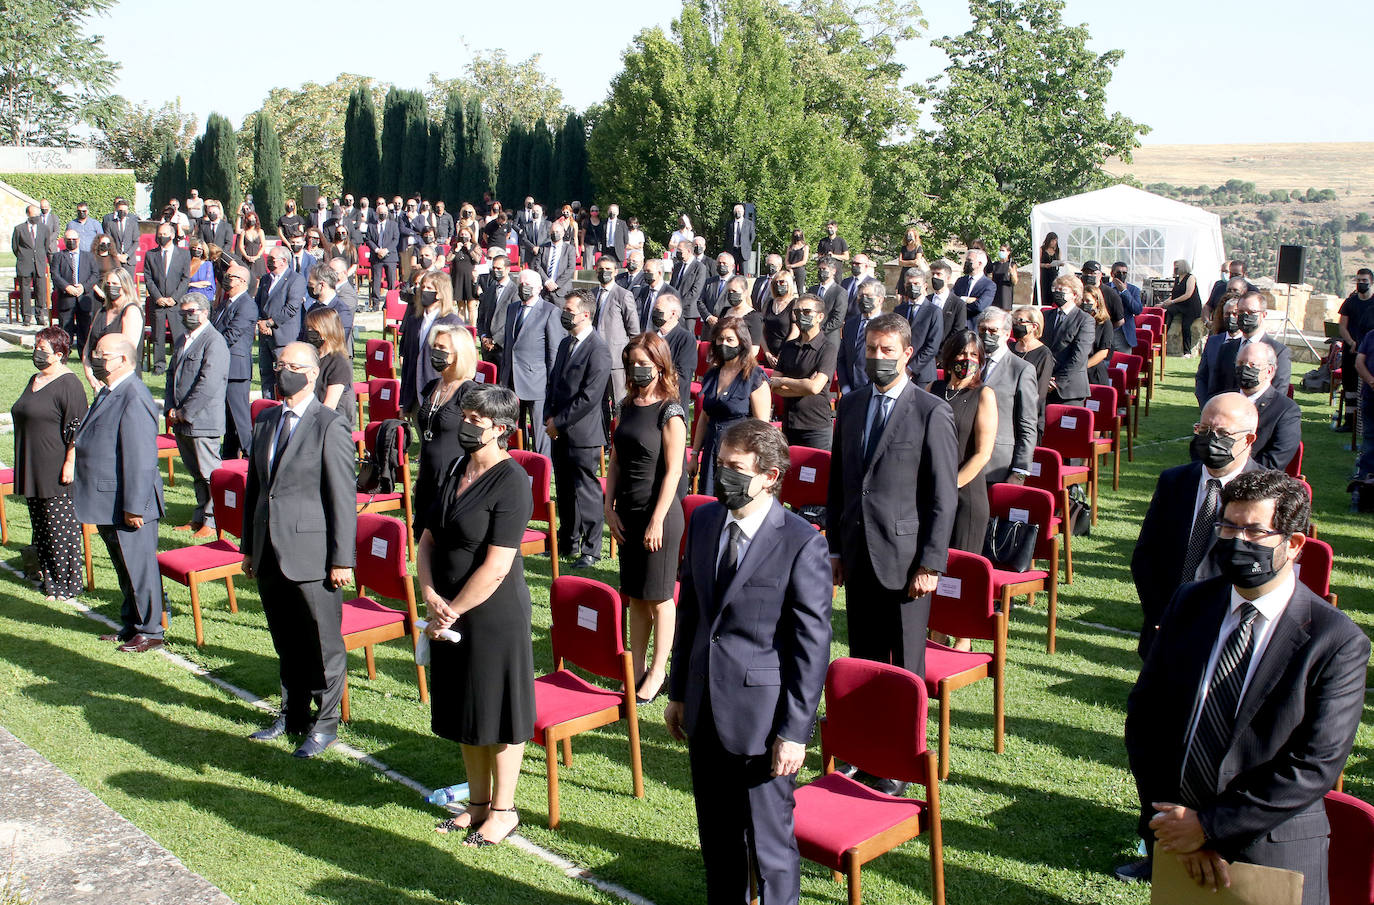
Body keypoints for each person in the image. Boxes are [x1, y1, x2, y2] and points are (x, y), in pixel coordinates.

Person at [1122, 470, 1368, 902]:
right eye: (1229, 526)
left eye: (1254, 531)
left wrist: (1210, 828)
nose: (1237, 541)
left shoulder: (1336, 641)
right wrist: (1170, 820)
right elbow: (1147, 716)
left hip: (1273, 852)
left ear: (1293, 544)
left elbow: (1315, 764)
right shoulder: (1190, 602)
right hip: (1180, 837)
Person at [665, 419, 832, 905]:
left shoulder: (802, 542)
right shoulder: (703, 521)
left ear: (771, 476)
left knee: (770, 844)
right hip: (704, 707)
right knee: (717, 838)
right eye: (720, 465)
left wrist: (796, 732)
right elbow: (691, 613)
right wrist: (678, 692)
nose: (723, 477)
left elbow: (811, 647)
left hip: (762, 720)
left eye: (736, 468)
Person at [828, 314, 958, 778]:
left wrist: (931, 563)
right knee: (862, 658)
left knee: (905, 665)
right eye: (871, 350)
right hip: (859, 554)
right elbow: (840, 483)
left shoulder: (929, 411)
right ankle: (862, 751)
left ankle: (899, 764)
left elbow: (943, 496)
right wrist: (836, 550)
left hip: (907, 563)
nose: (877, 358)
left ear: (907, 354)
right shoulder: (851, 405)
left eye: (887, 351)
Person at [419, 384, 534, 848]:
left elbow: (498, 563)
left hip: (491, 615)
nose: (465, 425)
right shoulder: (454, 467)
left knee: (498, 711)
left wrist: (453, 611)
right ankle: (479, 805)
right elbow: (427, 539)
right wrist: (428, 591)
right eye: (464, 416)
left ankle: (504, 811)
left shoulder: (512, 481)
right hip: (447, 609)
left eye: (475, 420)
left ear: (501, 430)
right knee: (469, 710)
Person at [243, 342, 357, 758]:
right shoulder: (267, 420)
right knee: (286, 637)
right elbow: (256, 489)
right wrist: (249, 548)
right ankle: (292, 713)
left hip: (312, 552)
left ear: (312, 373)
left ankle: (325, 724)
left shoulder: (328, 425)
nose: (284, 371)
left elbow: (342, 496)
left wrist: (342, 558)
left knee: (322, 642)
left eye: (294, 365)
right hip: (270, 550)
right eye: (279, 364)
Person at [1131, 392, 1260, 659]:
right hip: (1164, 628)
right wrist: (1160, 613)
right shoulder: (1173, 481)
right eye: (1204, 429)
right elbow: (1145, 555)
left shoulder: (1265, 496)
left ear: (1248, 440)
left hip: (1227, 632)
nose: (1210, 439)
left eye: (1222, 433)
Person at [603, 333, 687, 703]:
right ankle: (635, 669)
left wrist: (657, 519)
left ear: (660, 364)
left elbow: (673, 472)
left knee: (659, 597)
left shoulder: (671, 411)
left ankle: (657, 673)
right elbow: (617, 458)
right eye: (631, 362)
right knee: (635, 596)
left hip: (661, 516)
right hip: (628, 512)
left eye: (643, 362)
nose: (637, 369)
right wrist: (608, 506)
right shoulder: (626, 404)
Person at [73, 335, 166, 652]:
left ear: (124, 359)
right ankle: (132, 622)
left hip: (128, 501)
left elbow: (140, 457)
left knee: (139, 567)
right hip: (108, 498)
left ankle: (151, 629)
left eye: (103, 354)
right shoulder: (111, 391)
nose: (96, 358)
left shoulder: (133, 395)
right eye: (95, 352)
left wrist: (134, 506)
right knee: (124, 567)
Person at [11, 327, 88, 601]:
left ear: (59, 354)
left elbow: (77, 429)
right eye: (36, 347)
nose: (37, 353)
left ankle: (67, 583)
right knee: (41, 526)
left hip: (55, 467)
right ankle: (49, 575)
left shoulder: (69, 384)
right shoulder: (35, 378)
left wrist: (70, 462)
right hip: (31, 464)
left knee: (60, 529)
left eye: (42, 349)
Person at [545, 291, 612, 569]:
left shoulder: (598, 349)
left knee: (586, 491)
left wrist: (558, 421)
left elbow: (590, 397)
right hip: (558, 430)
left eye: (570, 309)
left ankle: (591, 549)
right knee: (564, 490)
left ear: (585, 314)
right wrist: (549, 416)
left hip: (582, 434)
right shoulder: (565, 344)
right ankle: (568, 540)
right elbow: (554, 383)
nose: (565, 313)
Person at [929, 330, 996, 561]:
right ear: (949, 358)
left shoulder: (984, 395)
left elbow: (983, 453)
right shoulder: (933, 390)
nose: (967, 360)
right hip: (930, 492)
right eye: (961, 353)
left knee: (959, 575)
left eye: (973, 355)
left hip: (965, 494)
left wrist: (951, 484)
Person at [165, 293, 228, 536]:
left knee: (209, 473)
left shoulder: (214, 342)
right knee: (195, 473)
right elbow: (172, 374)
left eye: (189, 312)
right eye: (182, 313)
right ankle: (200, 515)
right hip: (181, 420)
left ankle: (213, 521)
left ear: (204, 313)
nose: (185, 317)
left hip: (202, 420)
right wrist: (171, 408)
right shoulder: (183, 339)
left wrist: (184, 412)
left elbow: (208, 383)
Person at [690, 317, 771, 494]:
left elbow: (762, 427)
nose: (724, 344)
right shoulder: (712, 373)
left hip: (739, 452)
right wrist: (695, 454)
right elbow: (704, 416)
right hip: (712, 449)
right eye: (720, 339)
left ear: (742, 342)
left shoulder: (755, 377)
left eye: (729, 340)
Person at [415, 324, 480, 535]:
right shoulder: (432, 386)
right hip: (427, 477)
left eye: (442, 348)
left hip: (452, 479)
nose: (436, 352)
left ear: (459, 354)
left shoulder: (468, 392)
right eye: (434, 346)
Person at [499, 269, 562, 457]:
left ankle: (542, 465)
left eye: (527, 285)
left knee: (539, 430)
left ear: (539, 288)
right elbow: (509, 345)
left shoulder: (550, 312)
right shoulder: (513, 308)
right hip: (512, 380)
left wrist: (552, 384)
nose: (523, 287)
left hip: (537, 382)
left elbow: (554, 352)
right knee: (515, 429)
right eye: (521, 284)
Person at [976, 308, 1037, 484]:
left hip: (999, 463)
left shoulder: (1022, 370)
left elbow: (1027, 423)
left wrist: (1020, 471)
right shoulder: (971, 365)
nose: (987, 335)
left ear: (1006, 333)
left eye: (993, 331)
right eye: (982, 330)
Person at [770, 293, 836, 450]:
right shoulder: (788, 347)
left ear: (820, 316)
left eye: (806, 312)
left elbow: (815, 387)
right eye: (797, 312)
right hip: (790, 424)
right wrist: (804, 385)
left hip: (816, 427)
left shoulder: (827, 348)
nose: (800, 316)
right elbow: (774, 385)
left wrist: (784, 381)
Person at [1204, 290, 1294, 399]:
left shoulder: (1279, 352)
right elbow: (1215, 388)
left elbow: (1278, 393)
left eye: (1251, 312)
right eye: (1241, 312)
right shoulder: (1227, 348)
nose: (1245, 316)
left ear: (1263, 314)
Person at [400, 273, 465, 416]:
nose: (423, 290)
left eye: (429, 287)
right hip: (415, 394)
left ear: (441, 293)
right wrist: (403, 402)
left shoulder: (452, 323)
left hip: (440, 394)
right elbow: (408, 362)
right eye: (422, 287)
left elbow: (461, 363)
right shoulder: (413, 321)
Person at [1233, 342, 1301, 472]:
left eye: (1253, 365)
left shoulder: (1286, 410)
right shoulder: (1223, 400)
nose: (1245, 369)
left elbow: (1275, 460)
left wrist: (1232, 472)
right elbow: (1200, 445)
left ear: (1269, 371)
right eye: (1240, 364)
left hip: (1256, 482)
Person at [213, 264, 258, 459]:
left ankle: (251, 457)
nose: (226, 279)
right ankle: (229, 458)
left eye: (230, 276)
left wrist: (209, 347)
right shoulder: (225, 304)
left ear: (242, 281)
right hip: (222, 366)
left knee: (240, 419)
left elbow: (232, 334)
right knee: (229, 421)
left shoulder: (246, 305)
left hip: (236, 369)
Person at [590, 255, 640, 412]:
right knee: (598, 405)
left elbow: (634, 331)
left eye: (608, 269)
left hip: (616, 360)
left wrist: (631, 359)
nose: (604, 272)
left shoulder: (624, 295)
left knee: (620, 404)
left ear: (615, 272)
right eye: (601, 269)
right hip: (594, 359)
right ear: (595, 270)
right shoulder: (591, 294)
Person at [256, 247, 306, 399]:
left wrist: (270, 323)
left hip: (283, 337)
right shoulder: (265, 279)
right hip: (265, 337)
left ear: (284, 261)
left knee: (285, 378)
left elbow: (291, 308)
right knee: (266, 375)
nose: (268, 262)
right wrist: (260, 323)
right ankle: (268, 406)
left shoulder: (296, 280)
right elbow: (258, 304)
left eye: (272, 259)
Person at [142, 223, 190, 375]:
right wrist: (157, 297)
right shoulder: (151, 255)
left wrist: (174, 298)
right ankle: (159, 365)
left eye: (164, 234)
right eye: (159, 234)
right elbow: (148, 278)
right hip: (158, 302)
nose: (161, 237)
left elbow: (185, 279)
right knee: (158, 336)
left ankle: (177, 365)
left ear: (172, 235)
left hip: (175, 303)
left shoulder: (183, 254)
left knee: (178, 335)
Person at [83, 268, 144, 388]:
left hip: (123, 382)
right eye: (108, 284)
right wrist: (90, 375)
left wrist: (109, 378)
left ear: (125, 286)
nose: (111, 287)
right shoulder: (101, 311)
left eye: (115, 284)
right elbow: (88, 347)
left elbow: (127, 353)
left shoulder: (131, 311)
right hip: (99, 380)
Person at [1042, 274, 1095, 406]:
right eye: (1056, 290)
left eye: (1063, 291)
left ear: (1075, 295)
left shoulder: (1085, 320)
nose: (1058, 293)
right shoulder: (1045, 315)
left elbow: (1079, 356)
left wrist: (1057, 382)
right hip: (1044, 384)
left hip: (1070, 390)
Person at [302, 306, 356, 429]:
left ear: (326, 330)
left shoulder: (339, 363)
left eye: (313, 329)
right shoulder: (312, 356)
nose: (309, 332)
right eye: (308, 328)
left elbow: (329, 405)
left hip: (328, 424)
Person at [1336, 269, 1374, 431]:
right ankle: (1349, 421)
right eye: (1358, 280)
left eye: (1364, 280)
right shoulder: (1350, 302)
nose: (1361, 283)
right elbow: (1342, 326)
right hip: (1351, 351)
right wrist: (1351, 342)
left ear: (1371, 282)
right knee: (1350, 387)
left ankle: (1364, 423)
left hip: (1370, 353)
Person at [893, 268, 942, 385]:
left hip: (923, 376)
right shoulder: (899, 310)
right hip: (899, 371)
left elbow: (932, 347)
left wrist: (910, 369)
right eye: (909, 284)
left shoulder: (934, 312)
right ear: (904, 286)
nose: (912, 287)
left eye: (916, 284)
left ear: (924, 286)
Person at [1011, 305, 1053, 436]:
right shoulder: (1009, 347)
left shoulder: (1044, 354)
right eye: (1014, 321)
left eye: (1021, 321)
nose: (1016, 325)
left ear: (1034, 326)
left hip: (1028, 415)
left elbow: (1040, 392)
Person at [1195, 293, 1244, 405]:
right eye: (1227, 314)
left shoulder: (1249, 344)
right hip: (1212, 403)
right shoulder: (1213, 341)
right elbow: (1202, 376)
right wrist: (1205, 404)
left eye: (1235, 314)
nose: (1231, 317)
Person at [50, 227, 96, 344]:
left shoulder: (89, 256)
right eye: (68, 239)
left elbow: (95, 274)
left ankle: (84, 355)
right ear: (64, 241)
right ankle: (65, 354)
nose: (71, 241)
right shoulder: (58, 256)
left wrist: (83, 287)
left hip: (84, 298)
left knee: (85, 329)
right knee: (65, 330)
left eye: (74, 239)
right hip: (66, 298)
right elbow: (55, 275)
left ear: (79, 240)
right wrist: (67, 287)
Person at [652, 293, 698, 411]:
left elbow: (682, 376)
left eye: (658, 310)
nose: (655, 313)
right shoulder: (651, 337)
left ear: (673, 314)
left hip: (672, 404)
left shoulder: (686, 339)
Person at [836, 280, 882, 394]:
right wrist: (845, 387)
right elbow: (841, 358)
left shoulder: (887, 326)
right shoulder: (850, 324)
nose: (864, 299)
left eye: (869, 296)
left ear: (880, 299)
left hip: (876, 389)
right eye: (861, 296)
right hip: (850, 390)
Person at [11, 204, 50, 326]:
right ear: (28, 215)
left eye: (37, 215)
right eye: (33, 216)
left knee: (40, 291)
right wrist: (24, 257)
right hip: (25, 264)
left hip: (39, 264)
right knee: (25, 291)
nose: (36, 218)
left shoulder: (44, 228)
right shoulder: (19, 229)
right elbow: (15, 247)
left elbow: (46, 245)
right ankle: (26, 317)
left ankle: (40, 316)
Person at [477, 254, 515, 365]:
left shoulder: (514, 292)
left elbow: (512, 321)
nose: (495, 271)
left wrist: (494, 340)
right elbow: (481, 316)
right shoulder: (490, 290)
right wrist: (483, 337)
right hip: (486, 348)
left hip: (502, 347)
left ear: (507, 269)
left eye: (499, 268)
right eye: (493, 268)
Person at [1163, 259, 1203, 357]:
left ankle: (1187, 352)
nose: (1175, 269)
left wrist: (1172, 302)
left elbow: (1188, 294)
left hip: (1191, 306)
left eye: (1177, 267)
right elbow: (1174, 294)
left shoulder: (1190, 278)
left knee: (1186, 326)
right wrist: (1163, 303)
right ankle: (1163, 337)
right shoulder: (1177, 279)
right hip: (1180, 304)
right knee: (1168, 312)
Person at [365, 204, 401, 307]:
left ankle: (390, 303)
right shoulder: (371, 225)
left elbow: (395, 239)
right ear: (377, 214)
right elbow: (368, 239)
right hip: (376, 257)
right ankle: (375, 304)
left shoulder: (393, 225)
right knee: (376, 281)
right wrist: (377, 250)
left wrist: (386, 250)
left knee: (391, 281)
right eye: (381, 213)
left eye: (385, 213)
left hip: (390, 257)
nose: (383, 215)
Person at [669, 240, 706, 337]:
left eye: (680, 250)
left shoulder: (699, 267)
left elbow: (695, 291)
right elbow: (672, 286)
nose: (678, 253)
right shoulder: (677, 266)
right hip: (674, 311)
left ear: (689, 251)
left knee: (687, 337)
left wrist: (680, 304)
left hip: (688, 312)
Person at [536, 222, 576, 307]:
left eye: (557, 231)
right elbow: (537, 266)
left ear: (563, 233)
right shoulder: (543, 247)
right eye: (553, 231)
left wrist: (556, 284)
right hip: (544, 291)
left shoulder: (570, 249)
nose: (555, 234)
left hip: (561, 292)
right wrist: (547, 281)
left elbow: (571, 268)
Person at [812, 256, 846, 352]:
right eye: (819, 269)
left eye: (824, 269)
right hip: (811, 339)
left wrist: (819, 330)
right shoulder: (812, 290)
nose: (821, 272)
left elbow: (838, 319)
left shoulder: (840, 292)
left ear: (833, 271)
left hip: (829, 339)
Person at [1083, 286, 1114, 387]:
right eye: (1082, 300)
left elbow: (1103, 353)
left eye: (1088, 301)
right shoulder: (1079, 321)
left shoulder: (1105, 323)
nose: (1085, 304)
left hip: (1094, 373)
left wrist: (1083, 367)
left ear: (1097, 302)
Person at [954, 248, 997, 318]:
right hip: (957, 324)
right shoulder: (960, 281)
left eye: (969, 260)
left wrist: (960, 301)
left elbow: (979, 307)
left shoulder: (989, 285)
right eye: (966, 260)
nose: (966, 263)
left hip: (974, 325)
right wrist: (967, 299)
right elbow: (951, 300)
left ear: (980, 264)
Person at [101, 197, 139, 275]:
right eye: (120, 210)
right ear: (116, 210)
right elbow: (109, 241)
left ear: (127, 211)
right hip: (114, 260)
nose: (122, 212)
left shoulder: (133, 224)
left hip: (129, 261)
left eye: (124, 210)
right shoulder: (110, 224)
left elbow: (136, 241)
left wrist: (126, 255)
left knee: (128, 285)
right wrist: (117, 255)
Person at [928, 259, 965, 340]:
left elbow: (958, 330)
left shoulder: (958, 304)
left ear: (948, 278)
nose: (935, 277)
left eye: (938, 274)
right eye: (933, 274)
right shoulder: (926, 300)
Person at [1110, 261, 1143, 349]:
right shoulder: (1105, 288)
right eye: (1118, 273)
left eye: (1124, 273)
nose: (1121, 275)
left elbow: (1137, 310)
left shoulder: (1134, 290)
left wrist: (1124, 291)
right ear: (1112, 274)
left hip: (1125, 334)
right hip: (1108, 331)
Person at [235, 210, 267, 294]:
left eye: (253, 219)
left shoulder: (260, 231)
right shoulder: (244, 232)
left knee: (258, 279)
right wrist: (246, 256)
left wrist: (257, 256)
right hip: (247, 257)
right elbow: (241, 246)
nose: (252, 221)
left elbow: (263, 245)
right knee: (247, 277)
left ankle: (256, 295)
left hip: (258, 257)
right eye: (250, 219)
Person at [724, 203, 754, 276]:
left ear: (743, 212)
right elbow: (727, 236)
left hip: (743, 251)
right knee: (731, 272)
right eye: (736, 211)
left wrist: (747, 246)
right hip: (732, 250)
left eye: (740, 211)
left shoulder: (749, 224)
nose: (738, 213)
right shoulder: (729, 224)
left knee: (743, 273)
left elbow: (752, 236)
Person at [186, 238, 218, 302]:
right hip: (189, 294)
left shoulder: (207, 264)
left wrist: (191, 284)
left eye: (199, 249)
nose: (196, 250)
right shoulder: (186, 263)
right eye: (194, 248)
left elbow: (208, 282)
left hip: (204, 295)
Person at [990, 243, 1018, 310]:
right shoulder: (994, 265)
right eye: (1000, 250)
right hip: (995, 293)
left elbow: (1015, 282)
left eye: (1003, 251)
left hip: (1006, 294)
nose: (1001, 252)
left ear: (1008, 252)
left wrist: (1011, 273)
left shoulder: (1011, 265)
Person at [1038, 232, 1063, 307]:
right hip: (1044, 274)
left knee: (1053, 289)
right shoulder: (1042, 249)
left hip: (1053, 273)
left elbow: (1059, 260)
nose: (1054, 243)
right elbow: (1037, 263)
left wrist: (1060, 263)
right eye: (1052, 241)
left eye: (1055, 241)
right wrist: (1045, 265)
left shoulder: (1058, 250)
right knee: (1043, 290)